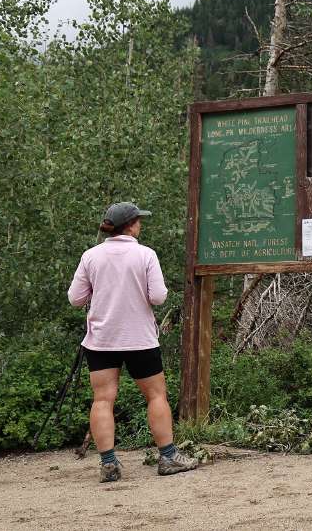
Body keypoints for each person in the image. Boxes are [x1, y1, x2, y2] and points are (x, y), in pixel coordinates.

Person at [67, 202, 199, 483]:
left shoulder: (90, 256)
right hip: (140, 339)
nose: (140, 224)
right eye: (138, 220)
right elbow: (158, 297)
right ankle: (168, 457)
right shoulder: (145, 254)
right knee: (156, 395)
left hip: (102, 340)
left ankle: (108, 464)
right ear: (129, 225)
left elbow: (75, 299)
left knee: (103, 399)